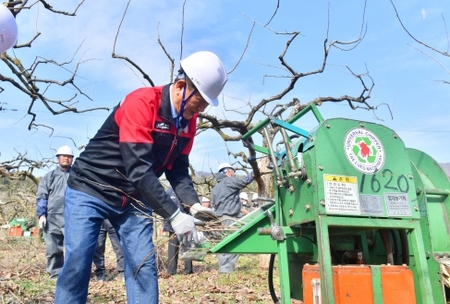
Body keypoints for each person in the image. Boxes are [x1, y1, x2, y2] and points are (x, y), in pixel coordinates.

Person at [54, 51, 227, 303]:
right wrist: (174, 214)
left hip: (133, 198)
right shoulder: (142, 102)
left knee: (142, 265)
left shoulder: (189, 121)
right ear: (181, 87)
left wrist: (193, 205)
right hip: (90, 189)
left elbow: (178, 169)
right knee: (78, 262)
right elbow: (138, 169)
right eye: (199, 102)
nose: (200, 109)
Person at [36, 145, 74, 278]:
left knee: (73, 247)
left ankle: (71, 274)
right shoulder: (49, 176)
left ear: (72, 159)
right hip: (52, 217)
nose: (66, 159)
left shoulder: (77, 176)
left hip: (72, 217)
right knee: (53, 247)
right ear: (58, 158)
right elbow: (42, 196)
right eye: (63, 156)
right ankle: (55, 273)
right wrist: (41, 215)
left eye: (69, 157)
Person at [211, 162, 254, 273]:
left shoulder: (216, 188)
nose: (234, 174)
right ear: (228, 172)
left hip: (220, 218)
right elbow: (245, 181)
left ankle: (223, 268)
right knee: (234, 242)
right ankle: (227, 270)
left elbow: (213, 204)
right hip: (231, 217)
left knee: (223, 243)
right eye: (233, 172)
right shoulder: (229, 181)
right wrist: (255, 171)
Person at [163, 188, 193, 275]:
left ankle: (188, 270)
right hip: (173, 226)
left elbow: (190, 209)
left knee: (186, 247)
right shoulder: (168, 193)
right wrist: (166, 226)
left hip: (185, 225)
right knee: (172, 248)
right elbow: (165, 210)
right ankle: (171, 271)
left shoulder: (186, 191)